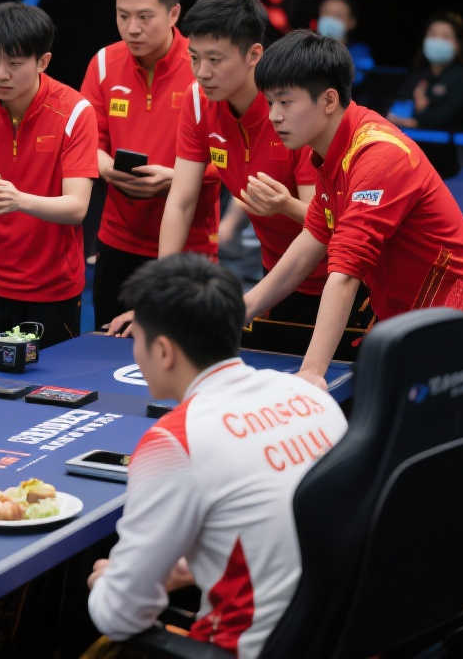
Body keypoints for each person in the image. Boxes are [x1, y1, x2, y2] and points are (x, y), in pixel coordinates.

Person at [86, 253, 347, 655]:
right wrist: (195, 568)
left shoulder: (175, 441)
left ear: (164, 351)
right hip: (341, 635)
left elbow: (121, 616)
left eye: (137, 339)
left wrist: (106, 583)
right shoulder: (312, 398)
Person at [247, 29, 463, 395]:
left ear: (328, 100)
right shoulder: (327, 150)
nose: (274, 116)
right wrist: (241, 310)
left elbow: (344, 275)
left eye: (285, 102)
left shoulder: (378, 156)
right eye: (270, 102)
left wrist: (311, 374)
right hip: (411, 332)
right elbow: (312, 239)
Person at [107, 0, 369, 344]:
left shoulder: (294, 112)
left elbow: (324, 224)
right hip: (278, 277)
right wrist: (156, 299)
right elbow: (181, 200)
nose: (202, 72)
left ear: (254, 55)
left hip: (344, 277)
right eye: (194, 58)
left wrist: (285, 206)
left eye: (215, 60)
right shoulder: (198, 102)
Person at [0, 2, 98, 373]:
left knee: (47, 392)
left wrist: (18, 200)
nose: (0, 74)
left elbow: (77, 207)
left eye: (13, 63)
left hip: (51, 288)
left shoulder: (75, 112)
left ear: (43, 61)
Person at [81, 0, 219, 329]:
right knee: (108, 347)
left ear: (174, 13)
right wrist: (106, 167)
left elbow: (230, 157)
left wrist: (179, 178)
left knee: (182, 350)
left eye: (144, 17)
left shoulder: (204, 68)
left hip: (191, 245)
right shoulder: (104, 63)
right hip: (116, 239)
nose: (132, 28)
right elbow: (87, 141)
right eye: (122, 16)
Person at [387, 12, 463, 177]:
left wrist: (418, 117)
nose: (437, 41)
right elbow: (397, 109)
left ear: (457, 45)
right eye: (433, 35)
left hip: (449, 162)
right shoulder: (418, 75)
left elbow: (448, 114)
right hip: (410, 159)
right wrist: (409, 113)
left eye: (445, 36)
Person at [316, 0, 374, 88]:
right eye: (326, 13)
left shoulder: (360, 53)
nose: (330, 20)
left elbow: (357, 79)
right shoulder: (303, 49)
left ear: (352, 22)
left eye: (337, 15)